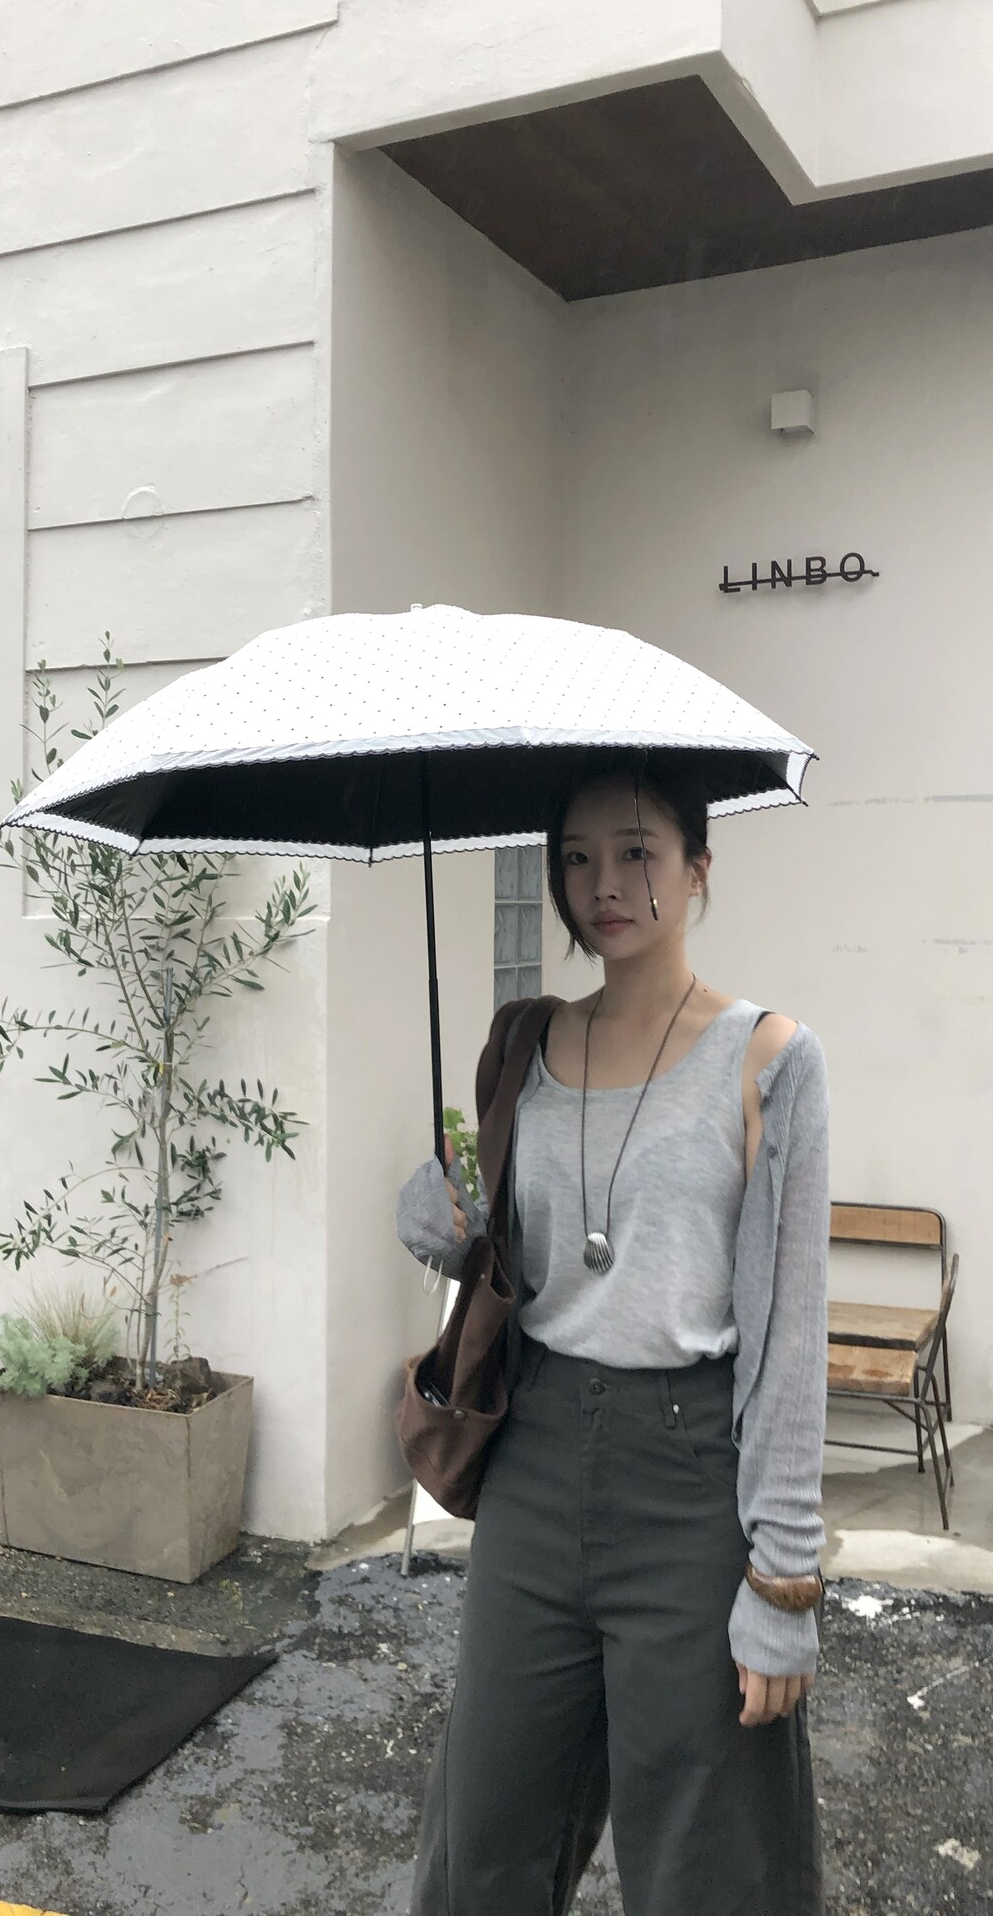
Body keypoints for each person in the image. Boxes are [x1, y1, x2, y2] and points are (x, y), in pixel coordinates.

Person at [395, 750, 828, 1915]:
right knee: (483, 1833)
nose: (606, 883)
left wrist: (784, 1582)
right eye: (578, 856)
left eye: (638, 851)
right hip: (534, 1463)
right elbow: (508, 1254)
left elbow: (789, 1335)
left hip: (689, 1478)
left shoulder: (769, 1057)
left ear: (697, 865)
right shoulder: (524, 1042)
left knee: (706, 1854)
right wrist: (446, 1227)